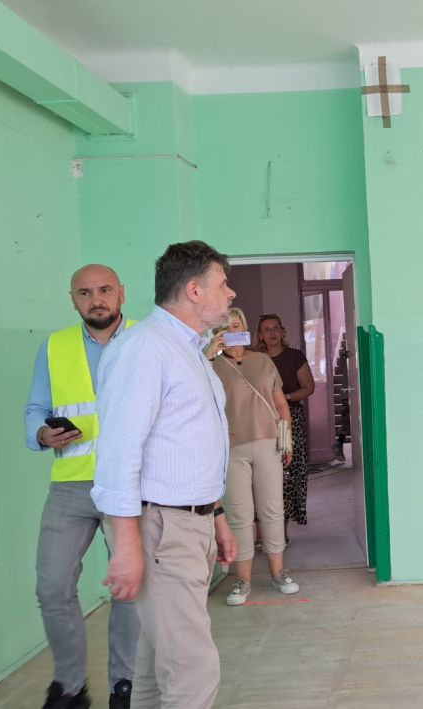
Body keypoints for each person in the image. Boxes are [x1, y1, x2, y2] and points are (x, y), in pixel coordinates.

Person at [91, 241, 238, 709]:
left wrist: (216, 516)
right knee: (193, 671)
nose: (231, 293)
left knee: (155, 668)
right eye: (223, 284)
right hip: (161, 528)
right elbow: (118, 453)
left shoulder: (190, 351)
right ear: (194, 290)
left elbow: (190, 448)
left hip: (188, 522)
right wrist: (126, 543)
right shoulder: (146, 348)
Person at [23, 264, 138, 709]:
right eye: (85, 292)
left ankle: (125, 685)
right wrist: (41, 433)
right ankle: (70, 688)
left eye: (105, 290)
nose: (96, 299)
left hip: (129, 484)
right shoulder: (55, 346)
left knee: (128, 588)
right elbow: (35, 408)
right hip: (71, 486)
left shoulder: (146, 340)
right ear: (73, 299)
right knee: (52, 587)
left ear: (121, 293)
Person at [206, 307, 301, 605]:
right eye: (224, 326)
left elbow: (280, 402)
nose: (230, 330)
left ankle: (279, 572)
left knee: (272, 510)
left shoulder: (262, 361)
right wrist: (208, 354)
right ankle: (242, 580)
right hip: (232, 448)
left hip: (268, 443)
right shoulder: (210, 365)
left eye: (235, 325)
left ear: (245, 329)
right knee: (240, 516)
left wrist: (287, 440)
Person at [255, 314, 314, 529]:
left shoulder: (294, 357)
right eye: (267, 329)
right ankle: (261, 530)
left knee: (287, 474)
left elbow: (308, 388)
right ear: (260, 335)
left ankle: (282, 529)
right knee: (261, 473)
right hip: (261, 420)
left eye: (275, 328)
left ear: (282, 331)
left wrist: (283, 399)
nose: (272, 333)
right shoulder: (254, 359)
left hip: (291, 419)